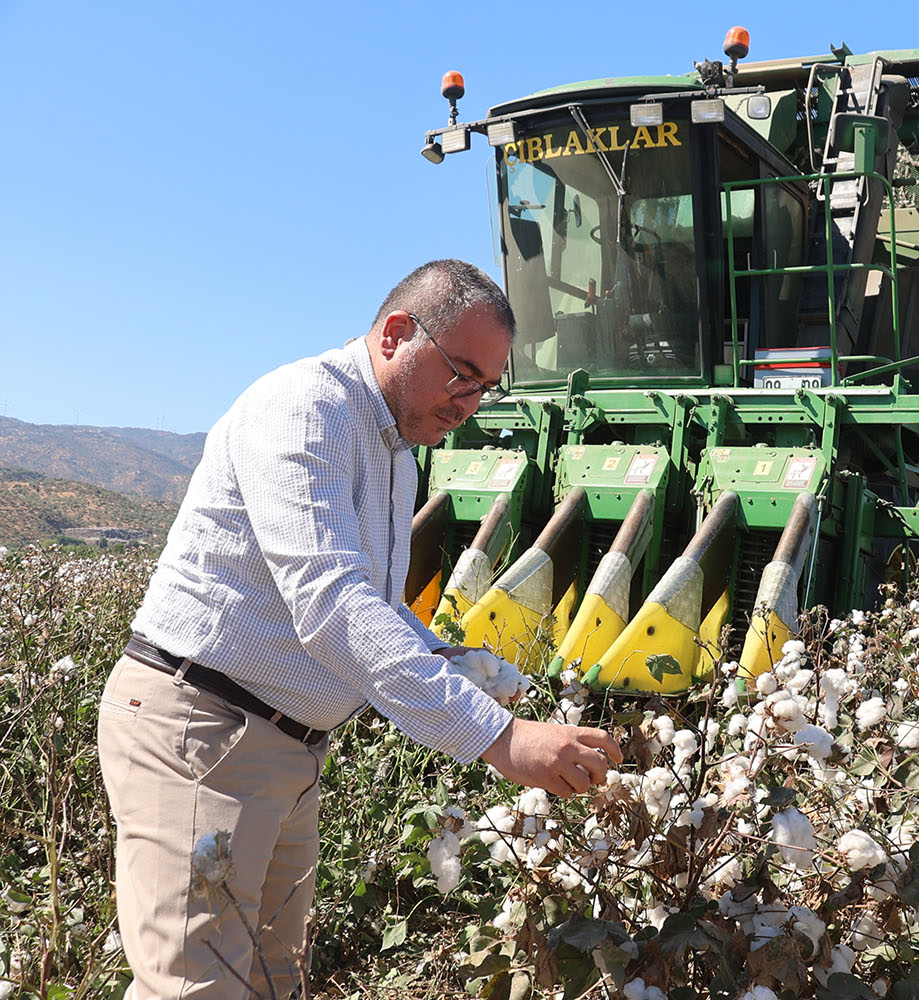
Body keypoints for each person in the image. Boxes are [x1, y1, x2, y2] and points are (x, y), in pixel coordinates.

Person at [96, 259, 623, 999]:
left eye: (487, 387)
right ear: (396, 333)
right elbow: (331, 603)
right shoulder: (305, 409)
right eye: (461, 373)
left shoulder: (397, 457)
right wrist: (500, 739)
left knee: (273, 981)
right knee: (197, 988)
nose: (469, 402)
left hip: (283, 752)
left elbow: (372, 600)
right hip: (202, 735)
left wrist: (456, 660)